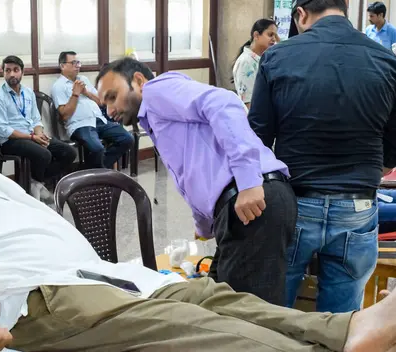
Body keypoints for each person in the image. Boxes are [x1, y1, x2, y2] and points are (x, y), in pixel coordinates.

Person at [0, 69, 396, 352]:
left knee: (211, 294)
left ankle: (348, 331)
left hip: (102, 277)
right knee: (188, 324)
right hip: (39, 301)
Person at [248, 0, 396, 313]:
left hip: (294, 204)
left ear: (300, 14)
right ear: (346, 8)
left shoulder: (277, 56)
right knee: (340, 325)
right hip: (358, 206)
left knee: (275, 317)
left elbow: (257, 139)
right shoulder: (389, 61)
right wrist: (367, 171)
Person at [95, 58, 296, 306]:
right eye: (104, 104)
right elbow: (191, 173)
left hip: (252, 199)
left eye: (112, 97)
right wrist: (203, 226)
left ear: (138, 80)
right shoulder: (157, 117)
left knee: (245, 322)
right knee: (216, 305)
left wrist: (248, 180)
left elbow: (223, 102)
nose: (109, 111)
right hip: (240, 206)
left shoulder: (157, 90)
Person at [0, 55, 76, 201]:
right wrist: (32, 137)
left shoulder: (28, 93)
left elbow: (36, 119)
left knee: (69, 152)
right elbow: (4, 130)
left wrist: (40, 134)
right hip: (11, 141)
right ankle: (36, 184)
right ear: (3, 73)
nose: (11, 74)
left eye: (15, 70)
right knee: (44, 154)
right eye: (7, 70)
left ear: (22, 73)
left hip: (32, 136)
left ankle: (35, 182)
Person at [51, 51, 133, 169]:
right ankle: (98, 174)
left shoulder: (83, 79)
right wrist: (75, 94)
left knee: (126, 139)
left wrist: (86, 92)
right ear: (62, 66)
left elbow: (101, 102)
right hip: (80, 125)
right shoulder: (58, 86)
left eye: (78, 62)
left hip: (99, 121)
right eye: (73, 63)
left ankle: (95, 172)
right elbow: (64, 115)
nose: (77, 66)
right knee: (97, 149)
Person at [232, 19, 278, 108]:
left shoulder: (263, 59)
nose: (274, 39)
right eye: (270, 35)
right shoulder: (246, 62)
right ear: (256, 35)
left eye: (275, 36)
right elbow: (248, 103)